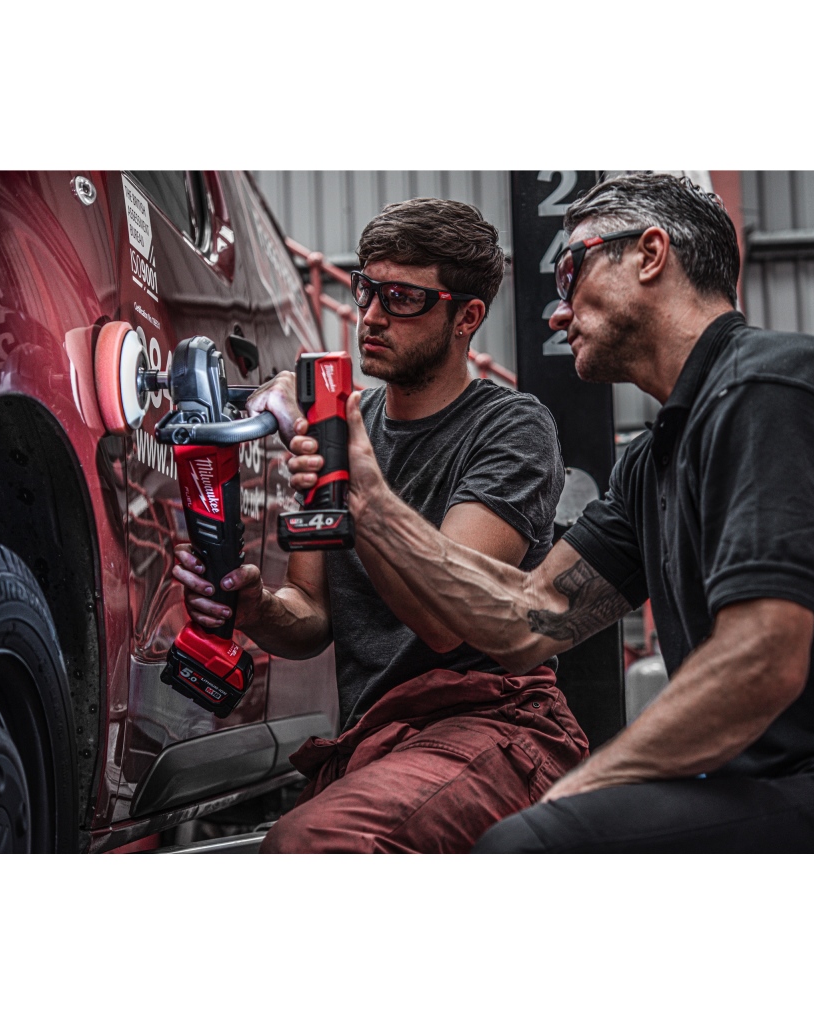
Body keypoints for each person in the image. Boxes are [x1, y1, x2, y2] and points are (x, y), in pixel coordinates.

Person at [291, 173, 814, 852]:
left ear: (649, 254)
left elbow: (760, 660)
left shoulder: (772, 386)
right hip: (785, 781)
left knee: (529, 847)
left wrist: (579, 792)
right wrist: (370, 504)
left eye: (569, 272)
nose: (557, 314)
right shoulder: (652, 464)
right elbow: (529, 618)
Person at [173, 197, 587, 853]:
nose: (370, 315)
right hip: (373, 734)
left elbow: (446, 623)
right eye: (367, 289)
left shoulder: (511, 429)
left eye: (402, 298)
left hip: (490, 720)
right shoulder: (340, 423)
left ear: (466, 317)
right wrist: (254, 608)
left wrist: (353, 485)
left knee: (312, 844)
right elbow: (311, 612)